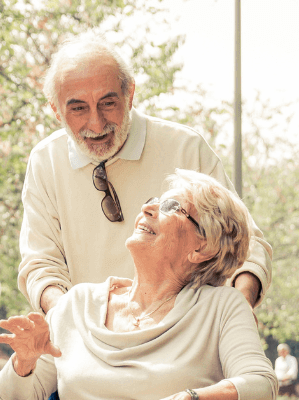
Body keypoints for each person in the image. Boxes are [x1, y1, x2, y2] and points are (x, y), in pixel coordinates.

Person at [17, 36, 272, 315]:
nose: (96, 123)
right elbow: (41, 265)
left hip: (177, 336)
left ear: (130, 95)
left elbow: (243, 244)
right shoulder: (45, 161)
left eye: (108, 103)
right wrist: (75, 325)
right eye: (78, 108)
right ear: (56, 110)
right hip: (85, 341)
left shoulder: (185, 147)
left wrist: (240, 306)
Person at [0, 169, 276, 400]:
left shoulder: (222, 306)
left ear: (202, 248)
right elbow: (10, 396)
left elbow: (260, 384)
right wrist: (24, 362)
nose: (147, 208)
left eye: (171, 207)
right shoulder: (77, 304)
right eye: (154, 200)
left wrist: (192, 398)